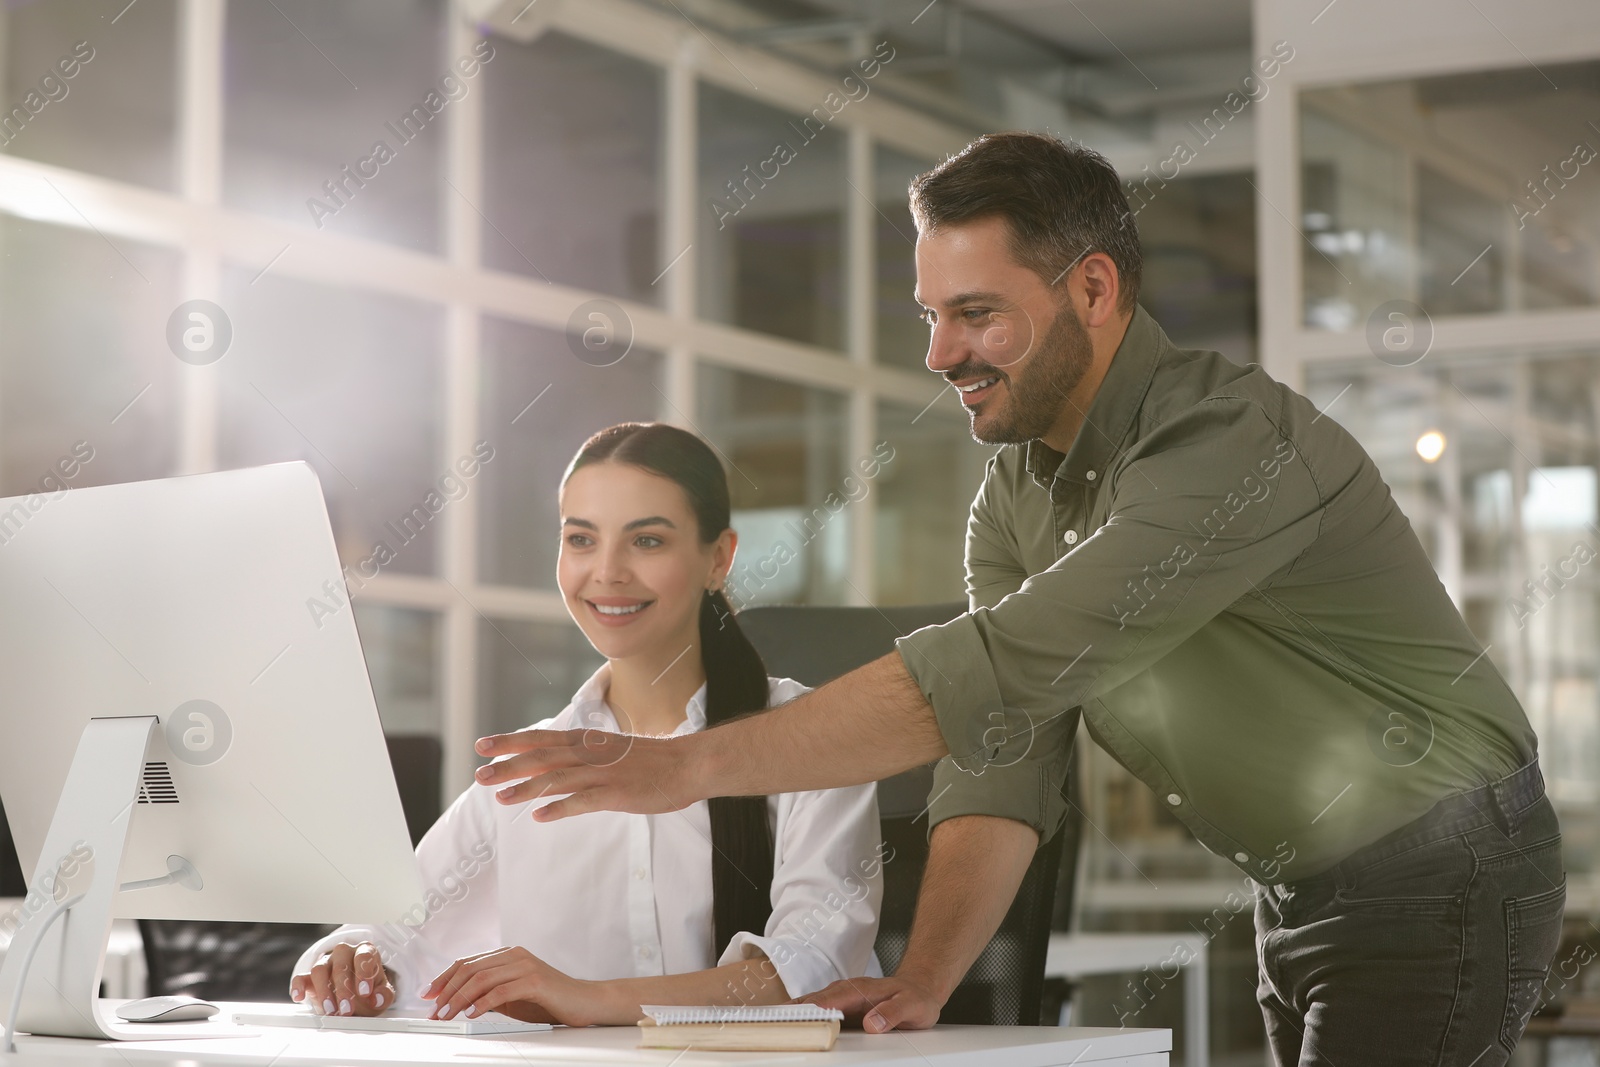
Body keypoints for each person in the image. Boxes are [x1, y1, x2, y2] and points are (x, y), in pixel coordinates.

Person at [470, 132, 1565, 1064]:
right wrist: (924, 978)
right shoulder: (1011, 498)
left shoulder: (1226, 446)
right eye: (929, 314)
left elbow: (992, 667)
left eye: (977, 313)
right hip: (1305, 881)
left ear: (1091, 289)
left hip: (1441, 861)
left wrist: (683, 766)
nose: (941, 351)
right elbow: (1003, 741)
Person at [288, 422, 883, 1026]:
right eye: (580, 539)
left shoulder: (811, 738)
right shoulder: (527, 772)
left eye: (647, 541)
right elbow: (391, 931)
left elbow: (815, 969)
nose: (608, 572)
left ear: (719, 558)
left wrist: (586, 998)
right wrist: (353, 961)